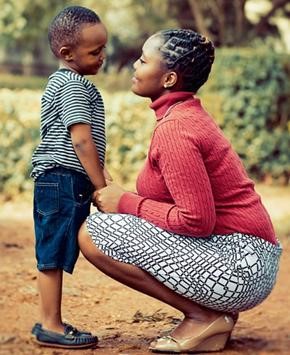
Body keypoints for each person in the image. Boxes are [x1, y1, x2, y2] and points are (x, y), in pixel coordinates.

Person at [78, 29, 282, 353]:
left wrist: (126, 202)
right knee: (110, 225)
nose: (134, 66)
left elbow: (196, 220)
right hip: (245, 256)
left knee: (94, 233)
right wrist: (120, 195)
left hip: (242, 265)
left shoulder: (176, 128)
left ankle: (203, 317)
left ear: (169, 79)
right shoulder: (182, 115)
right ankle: (212, 316)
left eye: (144, 60)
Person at [30, 5, 109, 349]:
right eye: (96, 51)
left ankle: (52, 321)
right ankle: (51, 325)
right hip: (62, 179)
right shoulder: (74, 85)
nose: (103, 56)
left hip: (61, 180)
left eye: (104, 48)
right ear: (67, 54)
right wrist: (102, 186)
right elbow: (80, 139)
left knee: (56, 249)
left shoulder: (63, 82)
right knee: (53, 252)